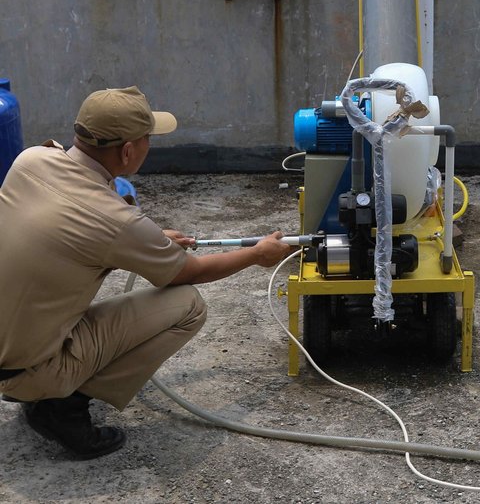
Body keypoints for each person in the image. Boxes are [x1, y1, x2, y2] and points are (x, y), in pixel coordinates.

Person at [0, 86, 293, 459]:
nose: (148, 146)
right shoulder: (116, 223)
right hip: (30, 367)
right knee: (188, 305)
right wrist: (256, 254)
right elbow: (191, 272)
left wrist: (148, 240)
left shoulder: (31, 160)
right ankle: (61, 406)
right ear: (127, 150)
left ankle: (39, 386)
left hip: (6, 348)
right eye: (147, 139)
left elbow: (71, 233)